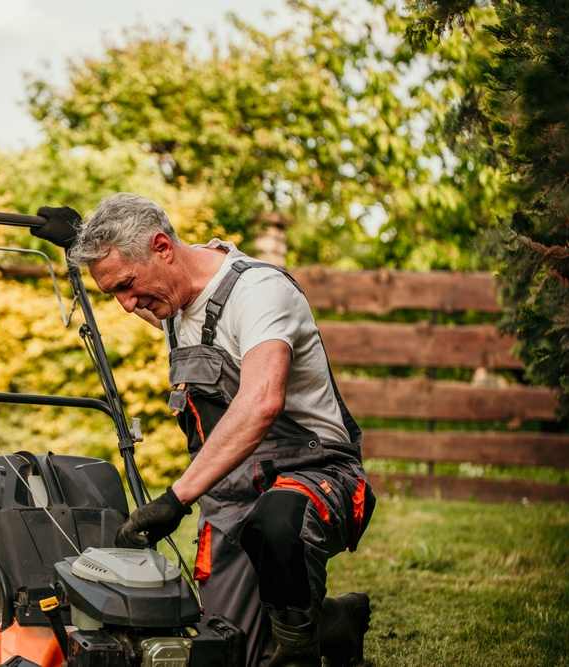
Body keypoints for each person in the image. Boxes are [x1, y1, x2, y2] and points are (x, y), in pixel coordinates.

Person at [33, 195, 376, 667]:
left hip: (316, 477)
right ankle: (338, 621)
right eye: (114, 293)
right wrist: (78, 237)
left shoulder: (258, 292)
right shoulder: (172, 301)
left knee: (278, 522)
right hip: (232, 499)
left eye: (127, 285)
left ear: (162, 247)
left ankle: (298, 657)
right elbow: (139, 287)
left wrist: (176, 500)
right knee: (224, 653)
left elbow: (262, 401)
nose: (127, 306)